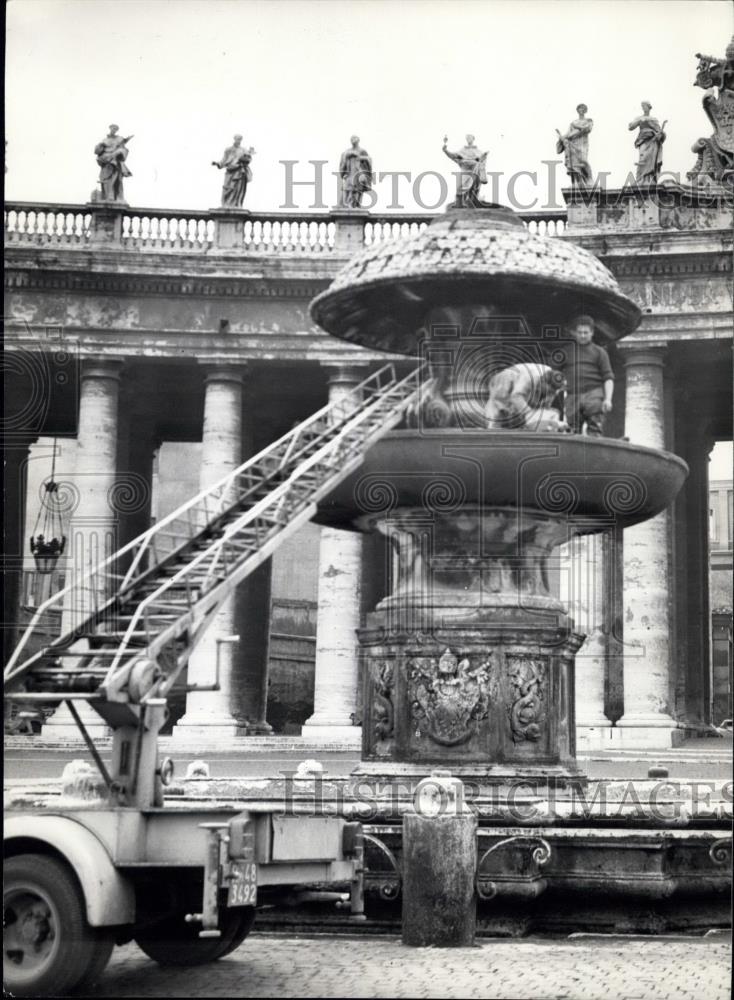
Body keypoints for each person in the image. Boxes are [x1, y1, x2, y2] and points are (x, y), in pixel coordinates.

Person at [555, 315, 614, 436]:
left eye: (586, 332)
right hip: (572, 396)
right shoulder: (565, 352)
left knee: (595, 429)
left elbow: (608, 378)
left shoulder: (600, 352)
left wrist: (608, 399)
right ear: (573, 333)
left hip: (593, 394)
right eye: (579, 332)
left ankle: (595, 453)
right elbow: (554, 374)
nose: (582, 335)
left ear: (592, 332)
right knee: (571, 431)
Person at [442, 134, 488, 206]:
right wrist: (445, 150)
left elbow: (482, 161)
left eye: (470, 138)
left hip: (475, 170)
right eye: (467, 138)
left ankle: (471, 202)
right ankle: (460, 204)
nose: (468, 139)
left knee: (474, 187)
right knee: (461, 188)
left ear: (473, 139)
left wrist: (482, 159)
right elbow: (453, 156)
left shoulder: (478, 151)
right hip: (465, 170)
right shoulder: (462, 150)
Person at [555, 105, 593, 188]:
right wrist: (562, 138)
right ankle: (577, 182)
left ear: (585, 110)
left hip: (582, 142)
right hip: (573, 142)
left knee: (583, 160)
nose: (581, 110)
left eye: (583, 109)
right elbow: (569, 133)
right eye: (579, 109)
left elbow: (588, 129)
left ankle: (589, 179)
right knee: (574, 162)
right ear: (577, 110)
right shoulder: (573, 123)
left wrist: (577, 127)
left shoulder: (588, 120)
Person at [212, 135, 254, 208]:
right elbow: (224, 160)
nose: (239, 141)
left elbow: (248, 159)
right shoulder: (228, 150)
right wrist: (217, 163)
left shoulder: (243, 150)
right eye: (237, 139)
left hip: (240, 171)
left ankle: (236, 204)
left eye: (240, 139)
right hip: (230, 171)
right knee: (228, 188)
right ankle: (226, 204)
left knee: (238, 189)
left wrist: (247, 158)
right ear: (234, 139)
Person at [628, 102, 666, 183]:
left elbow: (659, 131)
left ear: (649, 107)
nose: (643, 108)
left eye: (644, 106)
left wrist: (660, 135)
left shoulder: (654, 119)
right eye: (642, 106)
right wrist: (639, 121)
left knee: (651, 160)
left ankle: (649, 179)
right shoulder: (640, 118)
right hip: (643, 140)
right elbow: (630, 127)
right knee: (643, 159)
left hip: (652, 141)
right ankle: (640, 179)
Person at [94, 124, 132, 202]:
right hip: (105, 162)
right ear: (110, 129)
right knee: (105, 179)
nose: (113, 130)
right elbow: (97, 151)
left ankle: (114, 197)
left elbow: (124, 150)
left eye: (115, 129)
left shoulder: (119, 139)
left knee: (116, 180)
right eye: (112, 128)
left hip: (115, 162)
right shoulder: (105, 140)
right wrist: (100, 146)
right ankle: (106, 197)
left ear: (117, 130)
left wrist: (118, 153)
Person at [339, 136, 373, 208]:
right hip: (350, 173)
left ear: (358, 141)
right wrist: (348, 155)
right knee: (348, 188)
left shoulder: (362, 151)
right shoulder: (347, 152)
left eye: (355, 139)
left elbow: (369, 160)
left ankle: (356, 204)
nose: (353, 141)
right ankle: (348, 204)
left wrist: (360, 157)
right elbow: (342, 163)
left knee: (358, 189)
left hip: (359, 172)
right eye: (352, 139)